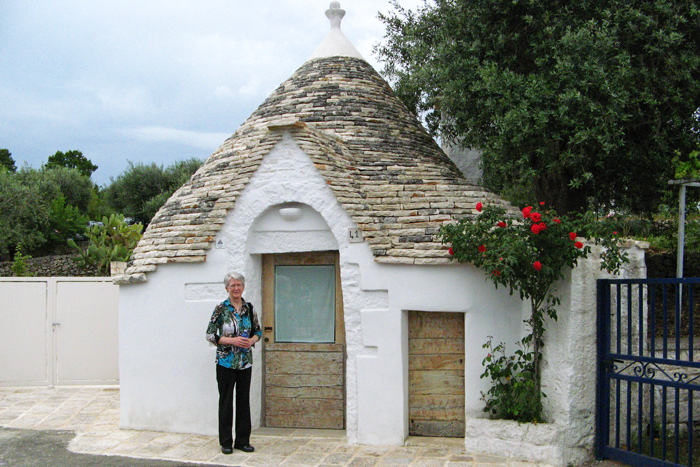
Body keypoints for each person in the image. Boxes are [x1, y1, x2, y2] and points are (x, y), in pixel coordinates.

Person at [206, 272, 262, 454]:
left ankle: (242, 441)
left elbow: (258, 332)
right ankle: (226, 442)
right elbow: (210, 335)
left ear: (243, 287)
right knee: (226, 401)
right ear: (227, 288)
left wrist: (252, 340)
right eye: (233, 285)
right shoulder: (220, 309)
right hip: (225, 362)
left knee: (243, 401)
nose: (236, 288)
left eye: (239, 285)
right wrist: (232, 341)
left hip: (245, 362)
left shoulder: (249, 308)